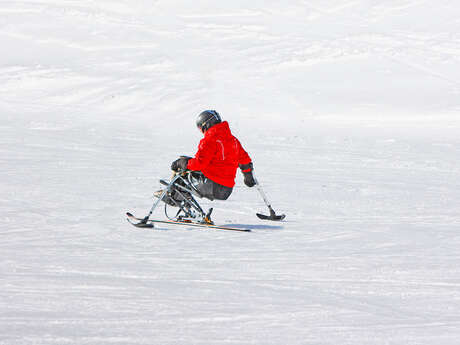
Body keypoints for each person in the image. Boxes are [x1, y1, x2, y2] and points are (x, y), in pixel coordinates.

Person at [156, 110, 256, 204]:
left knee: (182, 172)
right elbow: (244, 161)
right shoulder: (233, 140)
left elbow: (199, 164)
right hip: (227, 189)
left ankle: (173, 197)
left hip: (212, 186)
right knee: (189, 167)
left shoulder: (209, 140)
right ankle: (184, 205)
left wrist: (182, 163)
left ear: (206, 125)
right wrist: (248, 177)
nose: (201, 131)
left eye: (200, 128)